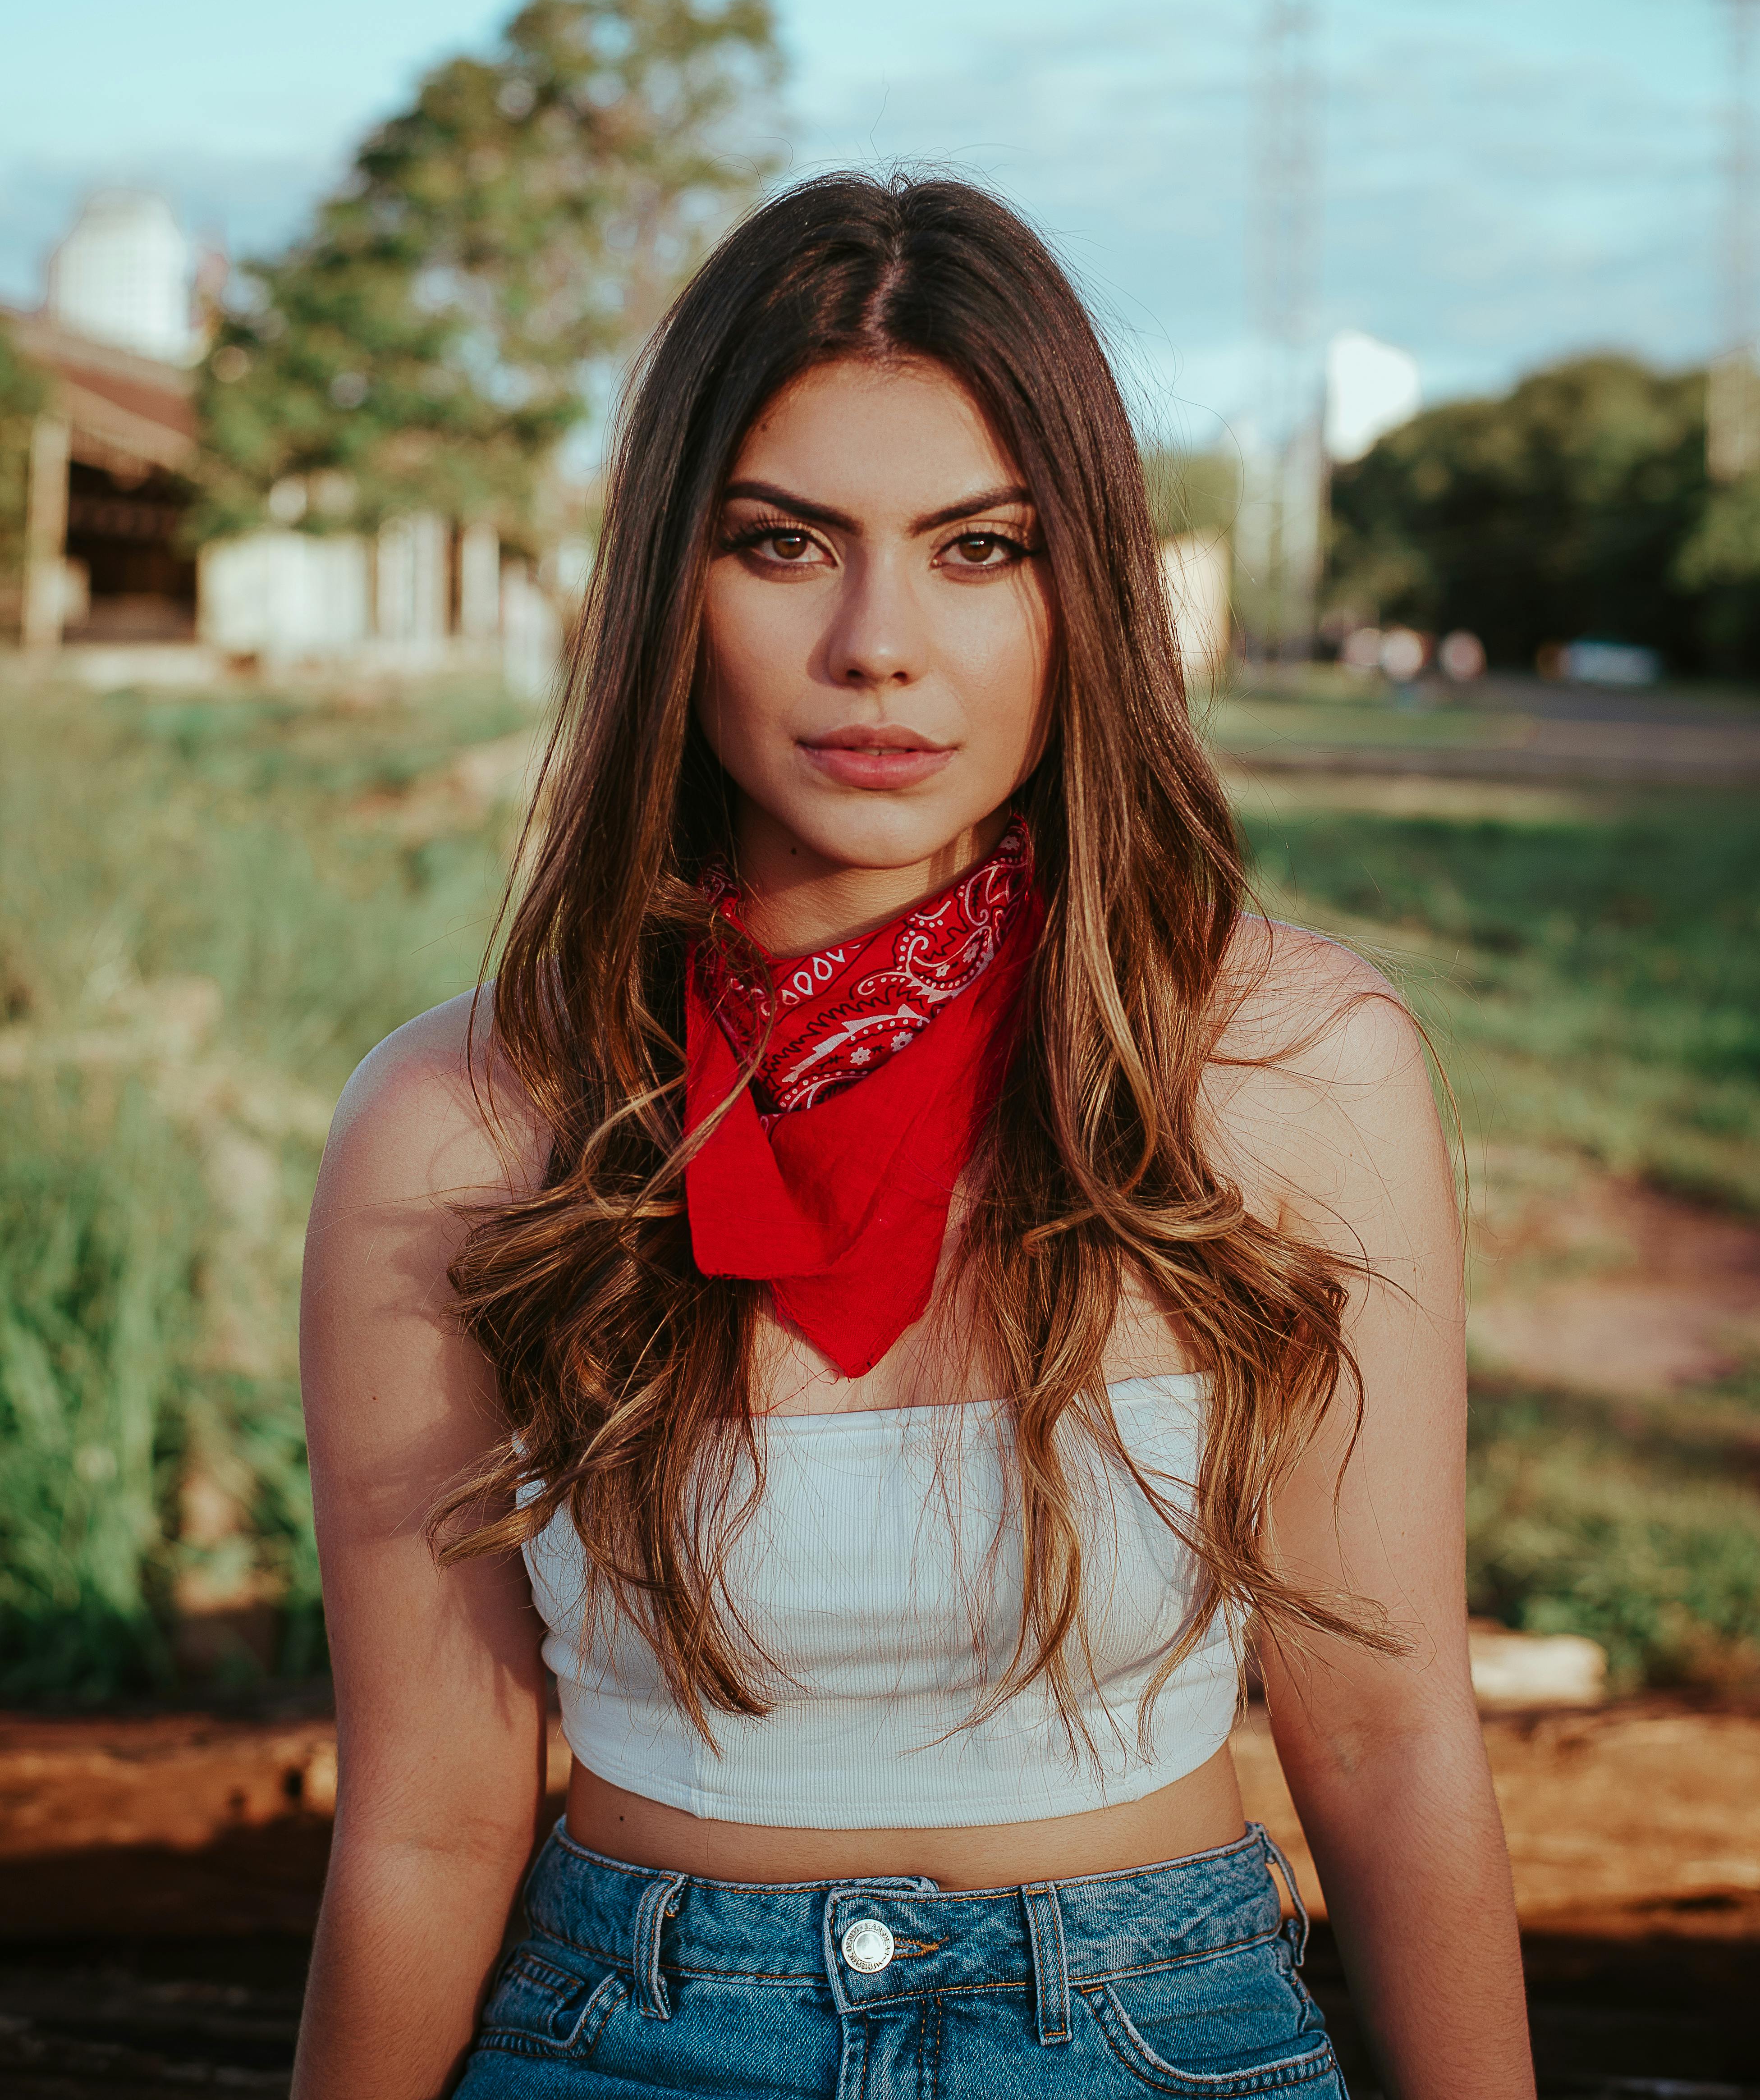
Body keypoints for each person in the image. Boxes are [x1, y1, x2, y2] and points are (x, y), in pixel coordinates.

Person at [294, 174, 1534, 2100]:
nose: (880, 642)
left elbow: (1386, 1743)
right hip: (626, 2039)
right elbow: (430, 1827)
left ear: (1085, 594)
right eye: (784, 543)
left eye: (980, 547)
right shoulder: (465, 1124)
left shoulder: (1290, 1065)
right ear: (664, 591)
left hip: (1152, 2038)